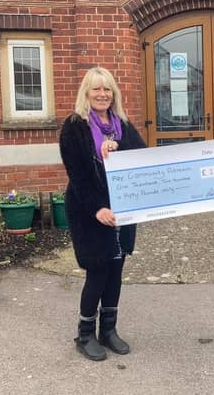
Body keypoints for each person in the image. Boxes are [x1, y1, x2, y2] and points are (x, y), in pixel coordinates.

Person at [59, 66, 146, 361]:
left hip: (123, 209)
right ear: (86, 92)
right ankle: (85, 335)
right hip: (89, 210)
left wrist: (118, 149)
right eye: (96, 88)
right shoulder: (74, 126)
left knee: (116, 270)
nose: (102, 94)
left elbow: (143, 157)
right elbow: (77, 175)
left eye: (107, 88)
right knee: (98, 271)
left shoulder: (123, 124)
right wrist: (97, 208)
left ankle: (109, 330)